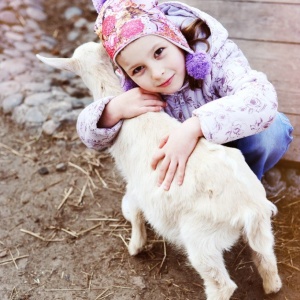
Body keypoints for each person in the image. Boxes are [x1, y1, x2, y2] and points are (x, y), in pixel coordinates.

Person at [77, 0, 293, 191]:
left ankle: (247, 184)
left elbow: (262, 100)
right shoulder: (134, 90)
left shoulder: (215, 59)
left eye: (159, 52)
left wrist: (194, 127)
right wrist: (112, 110)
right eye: (138, 69)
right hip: (187, 163)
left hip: (231, 140)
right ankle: (206, 194)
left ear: (176, 40)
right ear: (127, 75)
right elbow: (90, 137)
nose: (157, 72)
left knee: (274, 130)